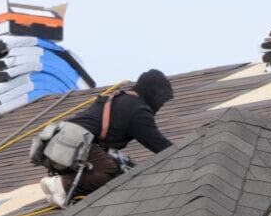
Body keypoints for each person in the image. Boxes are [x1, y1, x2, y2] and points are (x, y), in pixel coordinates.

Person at [38, 69, 174, 207]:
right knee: (111, 171)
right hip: (75, 143)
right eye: (161, 100)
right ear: (152, 93)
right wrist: (186, 152)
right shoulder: (137, 110)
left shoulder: (122, 100)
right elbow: (159, 144)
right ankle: (60, 184)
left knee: (116, 170)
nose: (161, 105)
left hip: (59, 142)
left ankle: (60, 189)